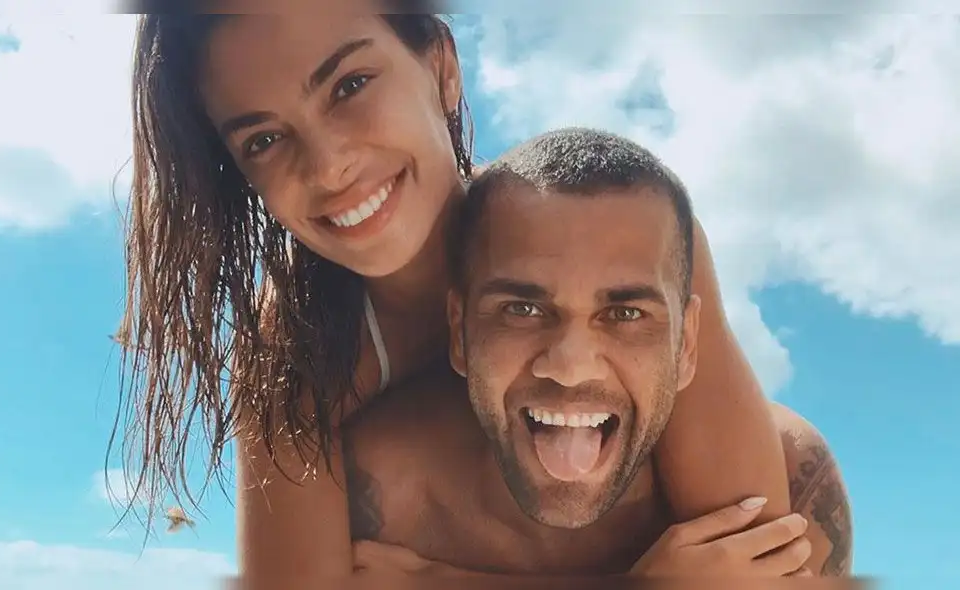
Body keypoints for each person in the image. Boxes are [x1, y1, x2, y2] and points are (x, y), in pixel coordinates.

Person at [120, 6, 795, 585]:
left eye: (350, 85)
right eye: (264, 139)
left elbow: (761, 561)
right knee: (395, 462)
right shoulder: (292, 356)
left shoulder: (626, 231)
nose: (328, 166)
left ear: (443, 68)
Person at [340, 128, 852, 578]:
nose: (570, 367)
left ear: (687, 344)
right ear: (460, 331)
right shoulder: (370, 501)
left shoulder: (793, 477)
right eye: (522, 309)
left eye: (626, 314)